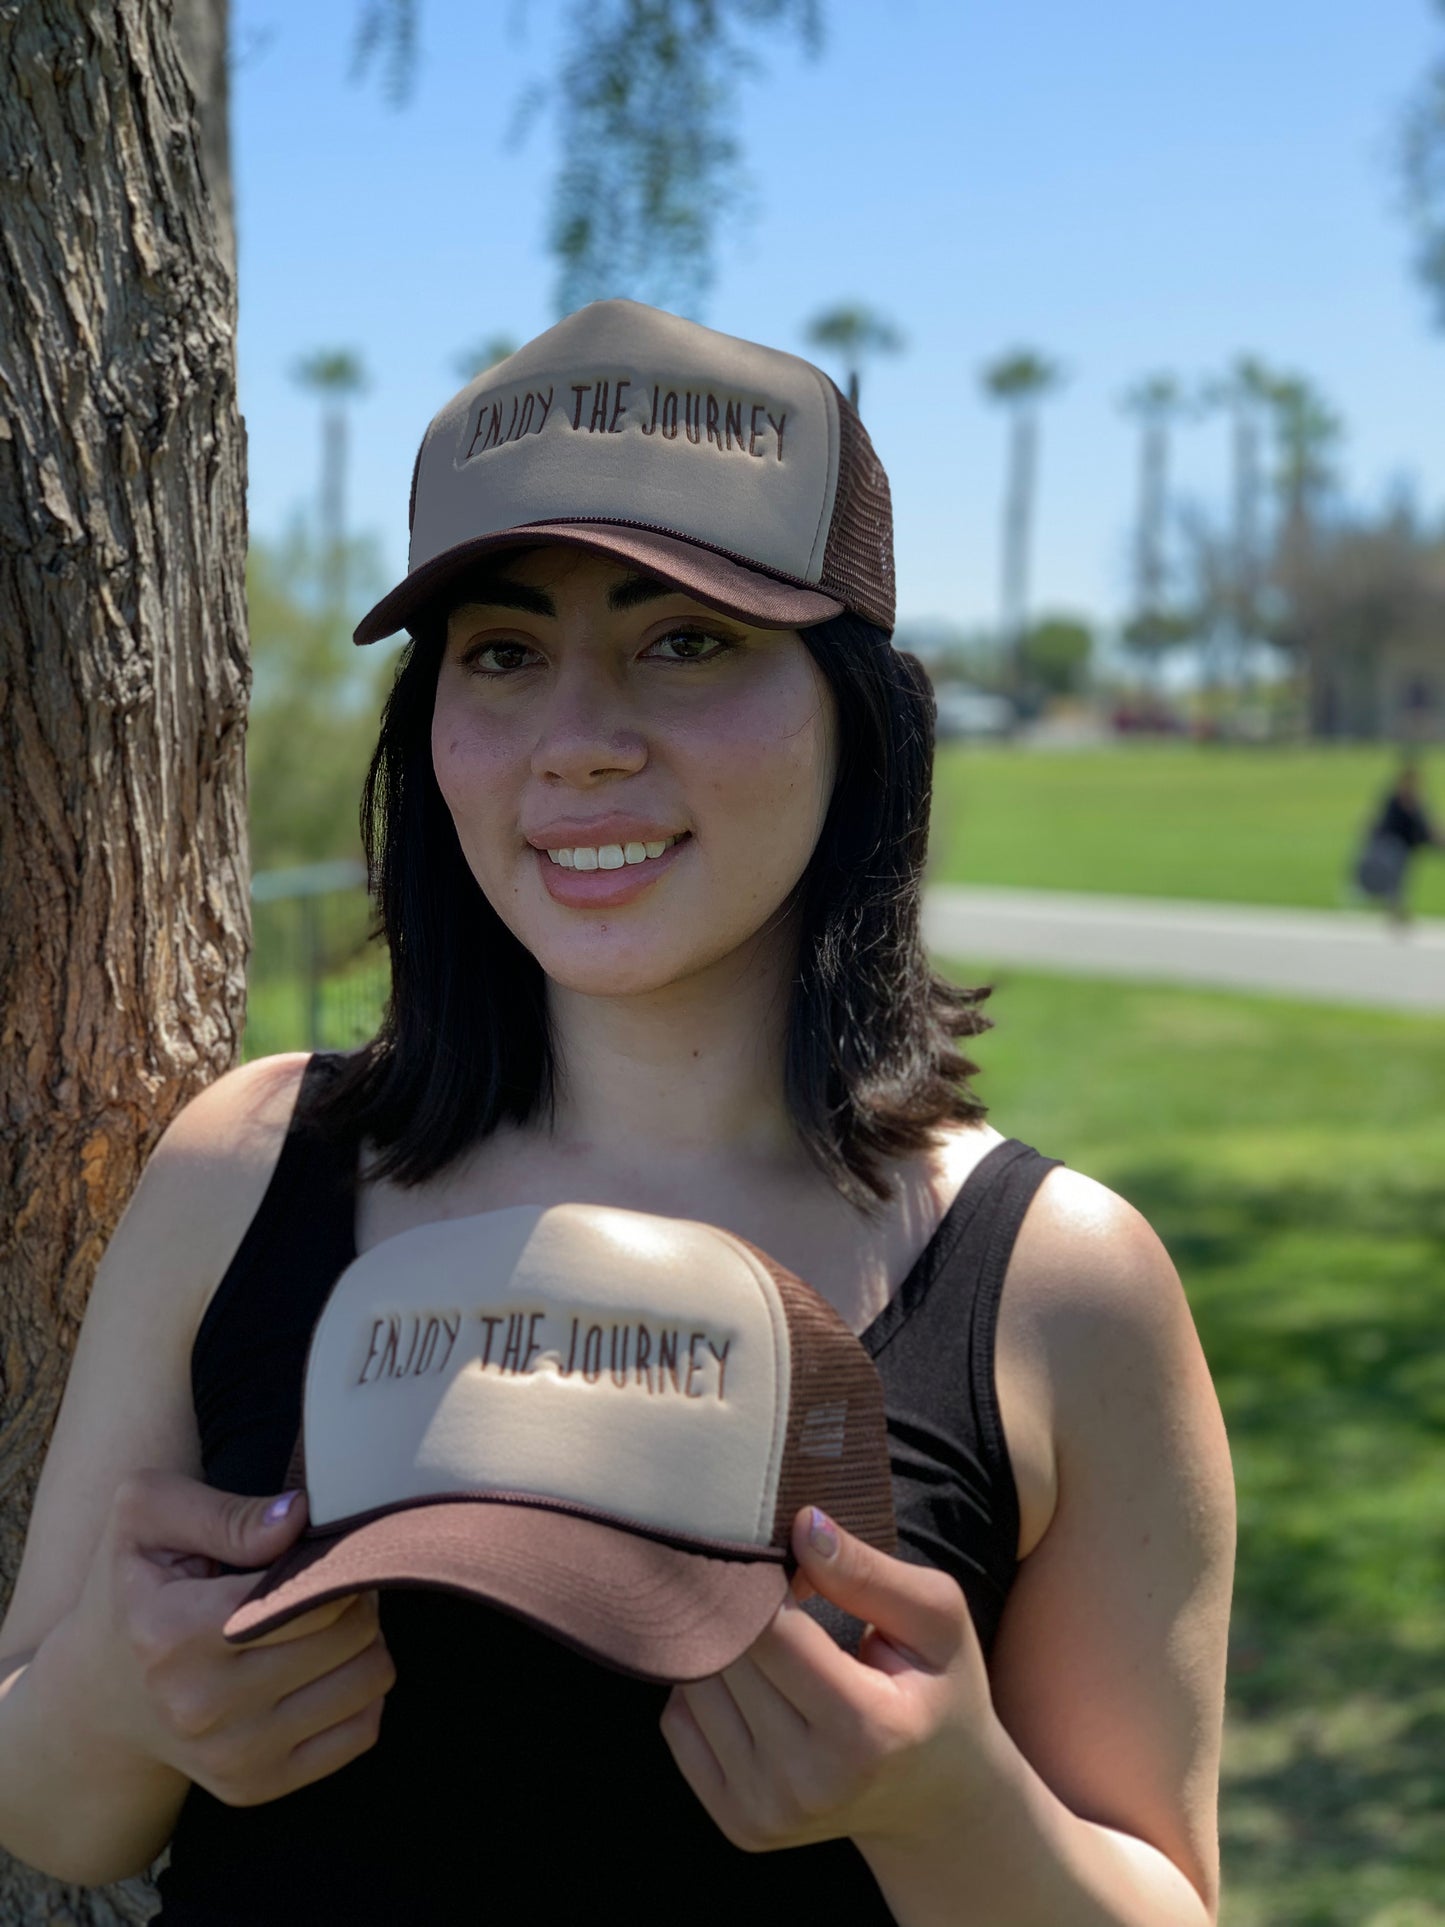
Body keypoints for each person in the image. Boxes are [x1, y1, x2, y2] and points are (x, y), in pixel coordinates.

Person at [0, 301, 1235, 1924]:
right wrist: (117, 1689)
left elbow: (1165, 1888)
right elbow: (49, 1805)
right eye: (502, 652)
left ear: (856, 713)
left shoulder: (1060, 1282)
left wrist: (956, 1803)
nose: (579, 744)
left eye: (686, 640)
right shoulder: (245, 1165)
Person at [1352, 763, 1443, 925]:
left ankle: (1396, 910)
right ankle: (1395, 910)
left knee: (1400, 880)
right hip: (1392, 846)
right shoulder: (1399, 800)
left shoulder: (1414, 801)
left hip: (1406, 846)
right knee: (1395, 879)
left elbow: (1422, 826)